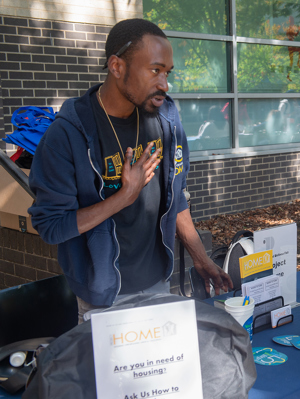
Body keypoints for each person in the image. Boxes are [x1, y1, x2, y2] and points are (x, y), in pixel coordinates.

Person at [28, 19, 233, 323]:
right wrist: (123, 197)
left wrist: (200, 258)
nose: (164, 83)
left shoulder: (165, 119)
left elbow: (174, 197)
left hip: (159, 284)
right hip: (104, 298)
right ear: (117, 66)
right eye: (155, 70)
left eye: (167, 73)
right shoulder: (66, 135)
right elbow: (51, 227)